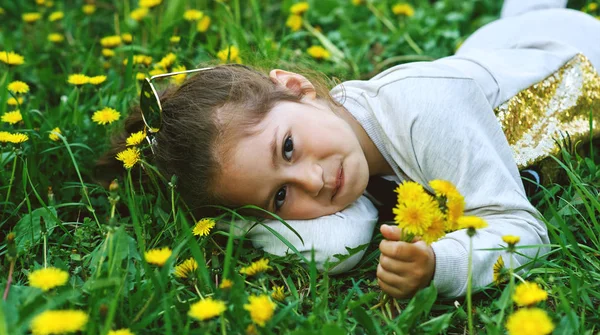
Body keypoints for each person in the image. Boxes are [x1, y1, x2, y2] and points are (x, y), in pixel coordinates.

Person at [96, 0, 600, 299]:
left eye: (288, 149)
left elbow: (524, 231)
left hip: (575, 54)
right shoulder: (332, 148)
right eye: (278, 199)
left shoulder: (429, 110)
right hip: (490, 51)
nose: (313, 183)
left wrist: (438, 265)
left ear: (296, 86)